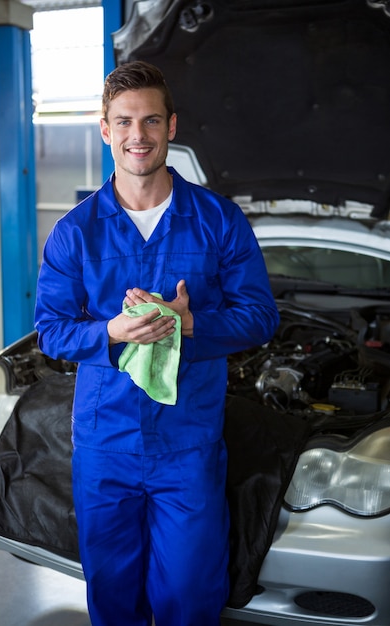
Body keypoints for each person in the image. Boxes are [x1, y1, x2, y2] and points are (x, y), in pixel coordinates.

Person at [34, 60, 279, 626]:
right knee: (113, 596)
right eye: (123, 122)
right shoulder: (75, 231)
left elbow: (261, 316)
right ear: (105, 129)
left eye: (149, 121)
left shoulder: (218, 221)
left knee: (190, 597)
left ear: (172, 126)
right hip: (105, 444)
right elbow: (50, 329)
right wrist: (109, 333)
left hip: (187, 444)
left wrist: (194, 326)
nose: (136, 136)